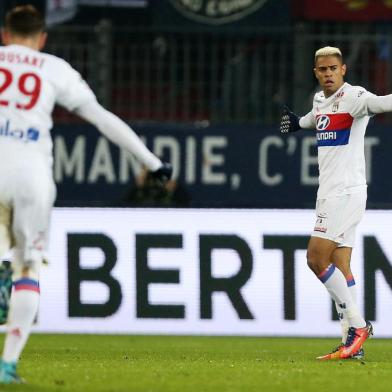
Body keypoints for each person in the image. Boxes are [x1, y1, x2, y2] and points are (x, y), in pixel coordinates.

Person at [0, 5, 172, 383]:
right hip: (31, 175)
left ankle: (1, 269)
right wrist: (151, 161)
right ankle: (7, 364)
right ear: (42, 38)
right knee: (27, 267)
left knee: (3, 252)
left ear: (5, 35)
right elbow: (102, 118)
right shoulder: (53, 68)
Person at [278, 45, 392, 360]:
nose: (328, 74)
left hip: (344, 192)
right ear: (316, 72)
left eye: (333, 69)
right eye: (322, 69)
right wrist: (294, 121)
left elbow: (381, 103)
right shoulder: (319, 100)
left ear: (343, 70)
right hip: (333, 192)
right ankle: (352, 346)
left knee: (315, 258)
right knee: (340, 264)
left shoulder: (354, 98)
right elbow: (314, 120)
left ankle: (358, 326)